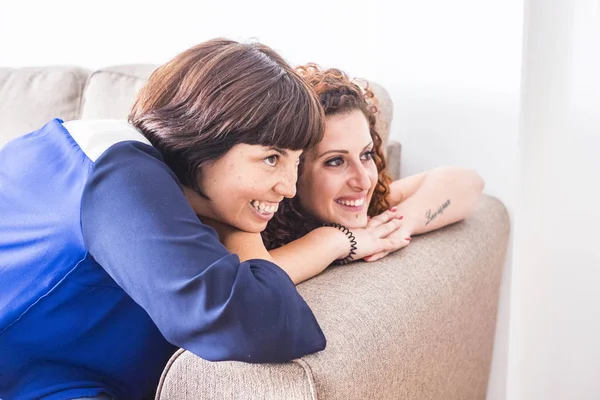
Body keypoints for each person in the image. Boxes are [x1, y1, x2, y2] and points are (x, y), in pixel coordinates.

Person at [0, 40, 396, 400]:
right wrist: (330, 240)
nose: (288, 188)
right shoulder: (116, 172)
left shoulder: (175, 194)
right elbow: (258, 323)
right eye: (272, 158)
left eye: (295, 163)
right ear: (206, 136)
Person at [213, 64, 484, 283]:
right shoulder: (252, 213)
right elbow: (256, 278)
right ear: (293, 169)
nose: (363, 181)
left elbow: (468, 182)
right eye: (335, 162)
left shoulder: (362, 204)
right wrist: (339, 240)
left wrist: (399, 225)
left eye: (366, 155)